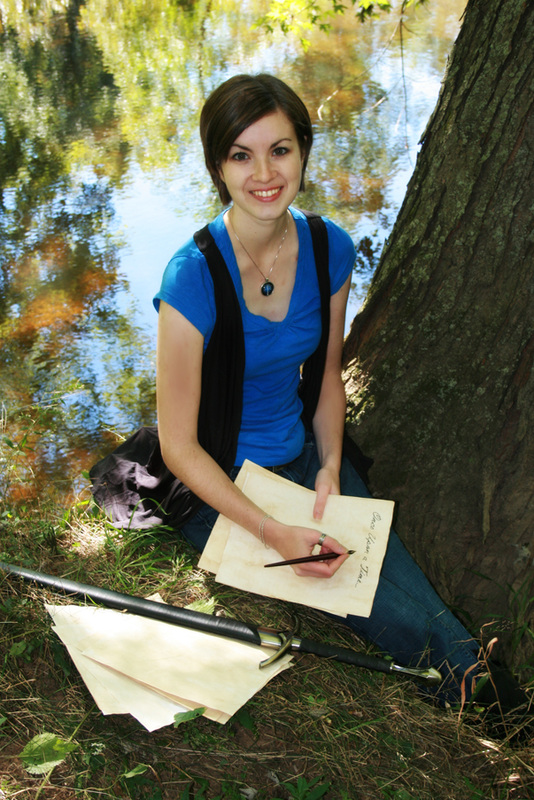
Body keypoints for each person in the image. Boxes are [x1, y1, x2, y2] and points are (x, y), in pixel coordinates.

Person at [92, 74, 528, 720]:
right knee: (378, 606)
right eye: (241, 155)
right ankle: (488, 701)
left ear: (303, 151)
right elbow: (179, 447)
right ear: (218, 167)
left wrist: (329, 466)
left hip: (303, 457)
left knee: (403, 582)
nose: (264, 173)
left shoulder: (329, 249)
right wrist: (273, 532)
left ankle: (487, 689)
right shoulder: (191, 277)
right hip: (222, 483)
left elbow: (324, 376)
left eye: (280, 150)